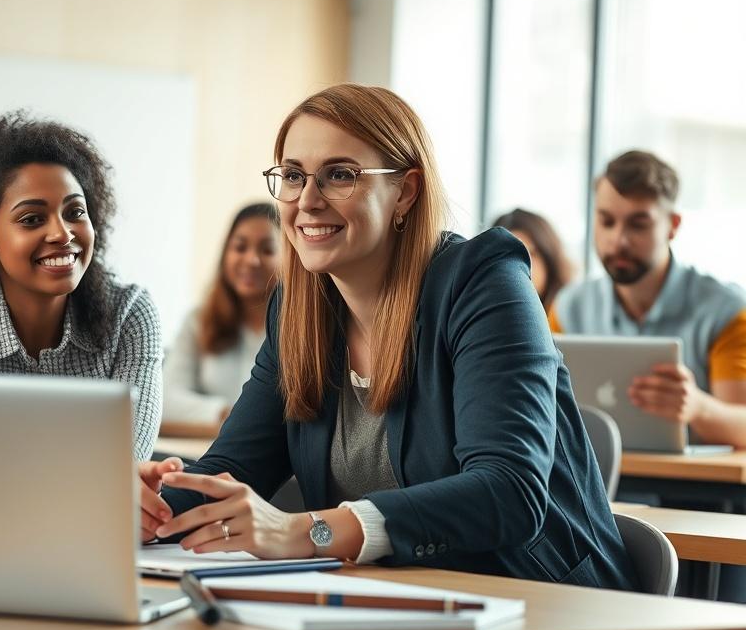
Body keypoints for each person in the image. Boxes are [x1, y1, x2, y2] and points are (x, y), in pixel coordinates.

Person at [138, 84, 636, 590]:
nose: (307, 201)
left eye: (339, 176)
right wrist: (147, 508)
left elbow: (508, 491)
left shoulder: (484, 285)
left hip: (545, 606)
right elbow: (234, 469)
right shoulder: (298, 310)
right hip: (393, 602)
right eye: (292, 176)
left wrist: (308, 530)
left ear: (405, 190)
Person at [0, 113, 162, 460]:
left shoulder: (129, 313)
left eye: (75, 212)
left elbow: (129, 466)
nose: (62, 233)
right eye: (32, 219)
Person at [550, 150, 746, 447]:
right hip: (595, 481)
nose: (619, 240)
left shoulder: (726, 311)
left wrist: (698, 408)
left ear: (673, 226)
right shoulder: (569, 307)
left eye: (638, 224)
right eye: (606, 221)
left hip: (698, 490)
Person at [162, 202, 278, 427]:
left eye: (267, 250)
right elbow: (165, 399)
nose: (251, 260)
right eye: (240, 247)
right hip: (211, 451)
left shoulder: (300, 330)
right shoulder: (198, 321)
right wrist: (228, 413)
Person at [492, 208, 572, 311]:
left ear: (548, 259)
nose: (522, 265)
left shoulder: (568, 316)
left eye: (532, 253)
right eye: (511, 256)